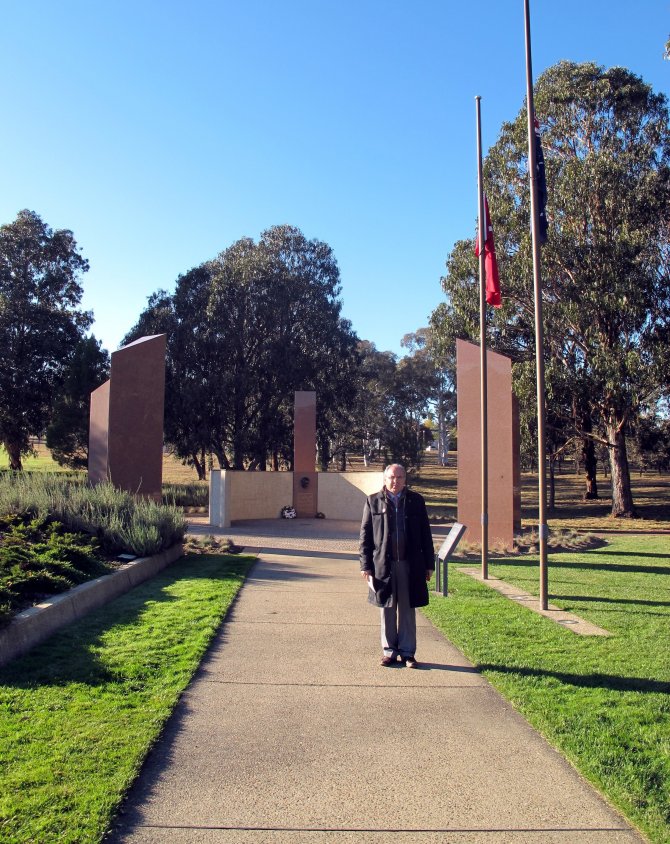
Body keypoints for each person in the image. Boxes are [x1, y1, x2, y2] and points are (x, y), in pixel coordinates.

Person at [359, 463, 434, 668]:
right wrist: (366, 565)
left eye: (399, 477)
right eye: (392, 477)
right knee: (387, 608)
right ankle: (389, 651)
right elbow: (365, 536)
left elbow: (426, 534)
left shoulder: (416, 501)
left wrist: (429, 564)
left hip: (410, 565)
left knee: (408, 609)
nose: (396, 481)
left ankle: (408, 653)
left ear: (405, 479)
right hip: (384, 564)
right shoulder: (373, 501)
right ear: (385, 479)